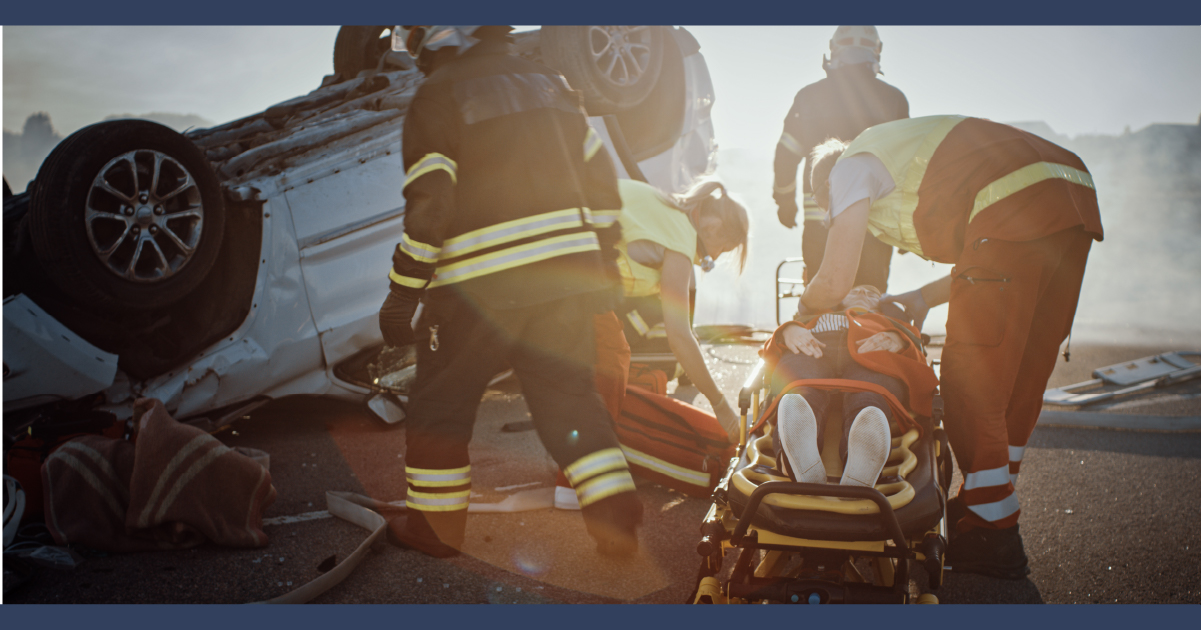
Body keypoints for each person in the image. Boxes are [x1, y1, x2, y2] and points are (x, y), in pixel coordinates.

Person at [800, 115, 1103, 579]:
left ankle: (994, 533)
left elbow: (836, 277)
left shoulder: (848, 166)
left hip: (1010, 203)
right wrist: (920, 298)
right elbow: (987, 253)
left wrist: (804, 311)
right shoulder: (906, 157)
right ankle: (990, 502)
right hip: (1073, 198)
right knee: (1020, 373)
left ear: (826, 191)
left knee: (971, 378)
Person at [377, 25, 641, 557]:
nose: (412, 45)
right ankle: (616, 522)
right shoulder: (553, 84)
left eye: (413, 33)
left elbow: (430, 205)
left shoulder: (438, 94)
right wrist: (605, 265)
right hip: (564, 285)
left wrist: (404, 292)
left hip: (476, 293)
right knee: (569, 400)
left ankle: (436, 530)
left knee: (440, 407)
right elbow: (603, 185)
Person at [555, 177, 750, 510]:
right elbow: (680, 336)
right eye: (722, 250)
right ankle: (574, 482)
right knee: (611, 360)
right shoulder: (681, 239)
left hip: (557, 254)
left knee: (605, 356)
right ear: (714, 226)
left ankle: (583, 463)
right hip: (564, 271)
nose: (712, 259)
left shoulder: (665, 207)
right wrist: (719, 404)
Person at [772, 25, 908, 292]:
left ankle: (818, 333)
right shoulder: (894, 99)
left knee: (822, 294)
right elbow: (905, 166)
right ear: (876, 52)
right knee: (868, 298)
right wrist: (904, 225)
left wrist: (784, 201)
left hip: (821, 220)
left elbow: (786, 155)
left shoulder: (809, 97)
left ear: (834, 50)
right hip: (876, 222)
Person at [763, 285, 938, 488]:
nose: (863, 293)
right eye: (854, 290)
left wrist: (900, 340)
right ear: (840, 299)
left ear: (882, 304)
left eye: (873, 293)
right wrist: (788, 330)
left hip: (872, 353)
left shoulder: (893, 324)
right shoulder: (816, 317)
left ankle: (863, 457)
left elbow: (916, 351)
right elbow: (770, 351)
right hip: (815, 346)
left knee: (871, 394)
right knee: (798, 387)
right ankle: (796, 455)